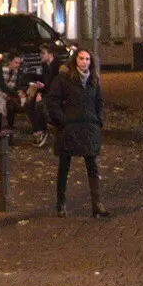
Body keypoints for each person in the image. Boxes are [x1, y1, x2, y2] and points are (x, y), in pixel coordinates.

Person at [48, 49, 108, 218]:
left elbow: (99, 102)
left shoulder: (93, 81)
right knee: (64, 166)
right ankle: (61, 203)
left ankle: (97, 204)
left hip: (89, 128)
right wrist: (62, 120)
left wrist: (99, 119)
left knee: (92, 166)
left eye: (88, 59)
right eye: (81, 59)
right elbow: (53, 102)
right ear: (75, 60)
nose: (84, 62)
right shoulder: (63, 79)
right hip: (69, 128)